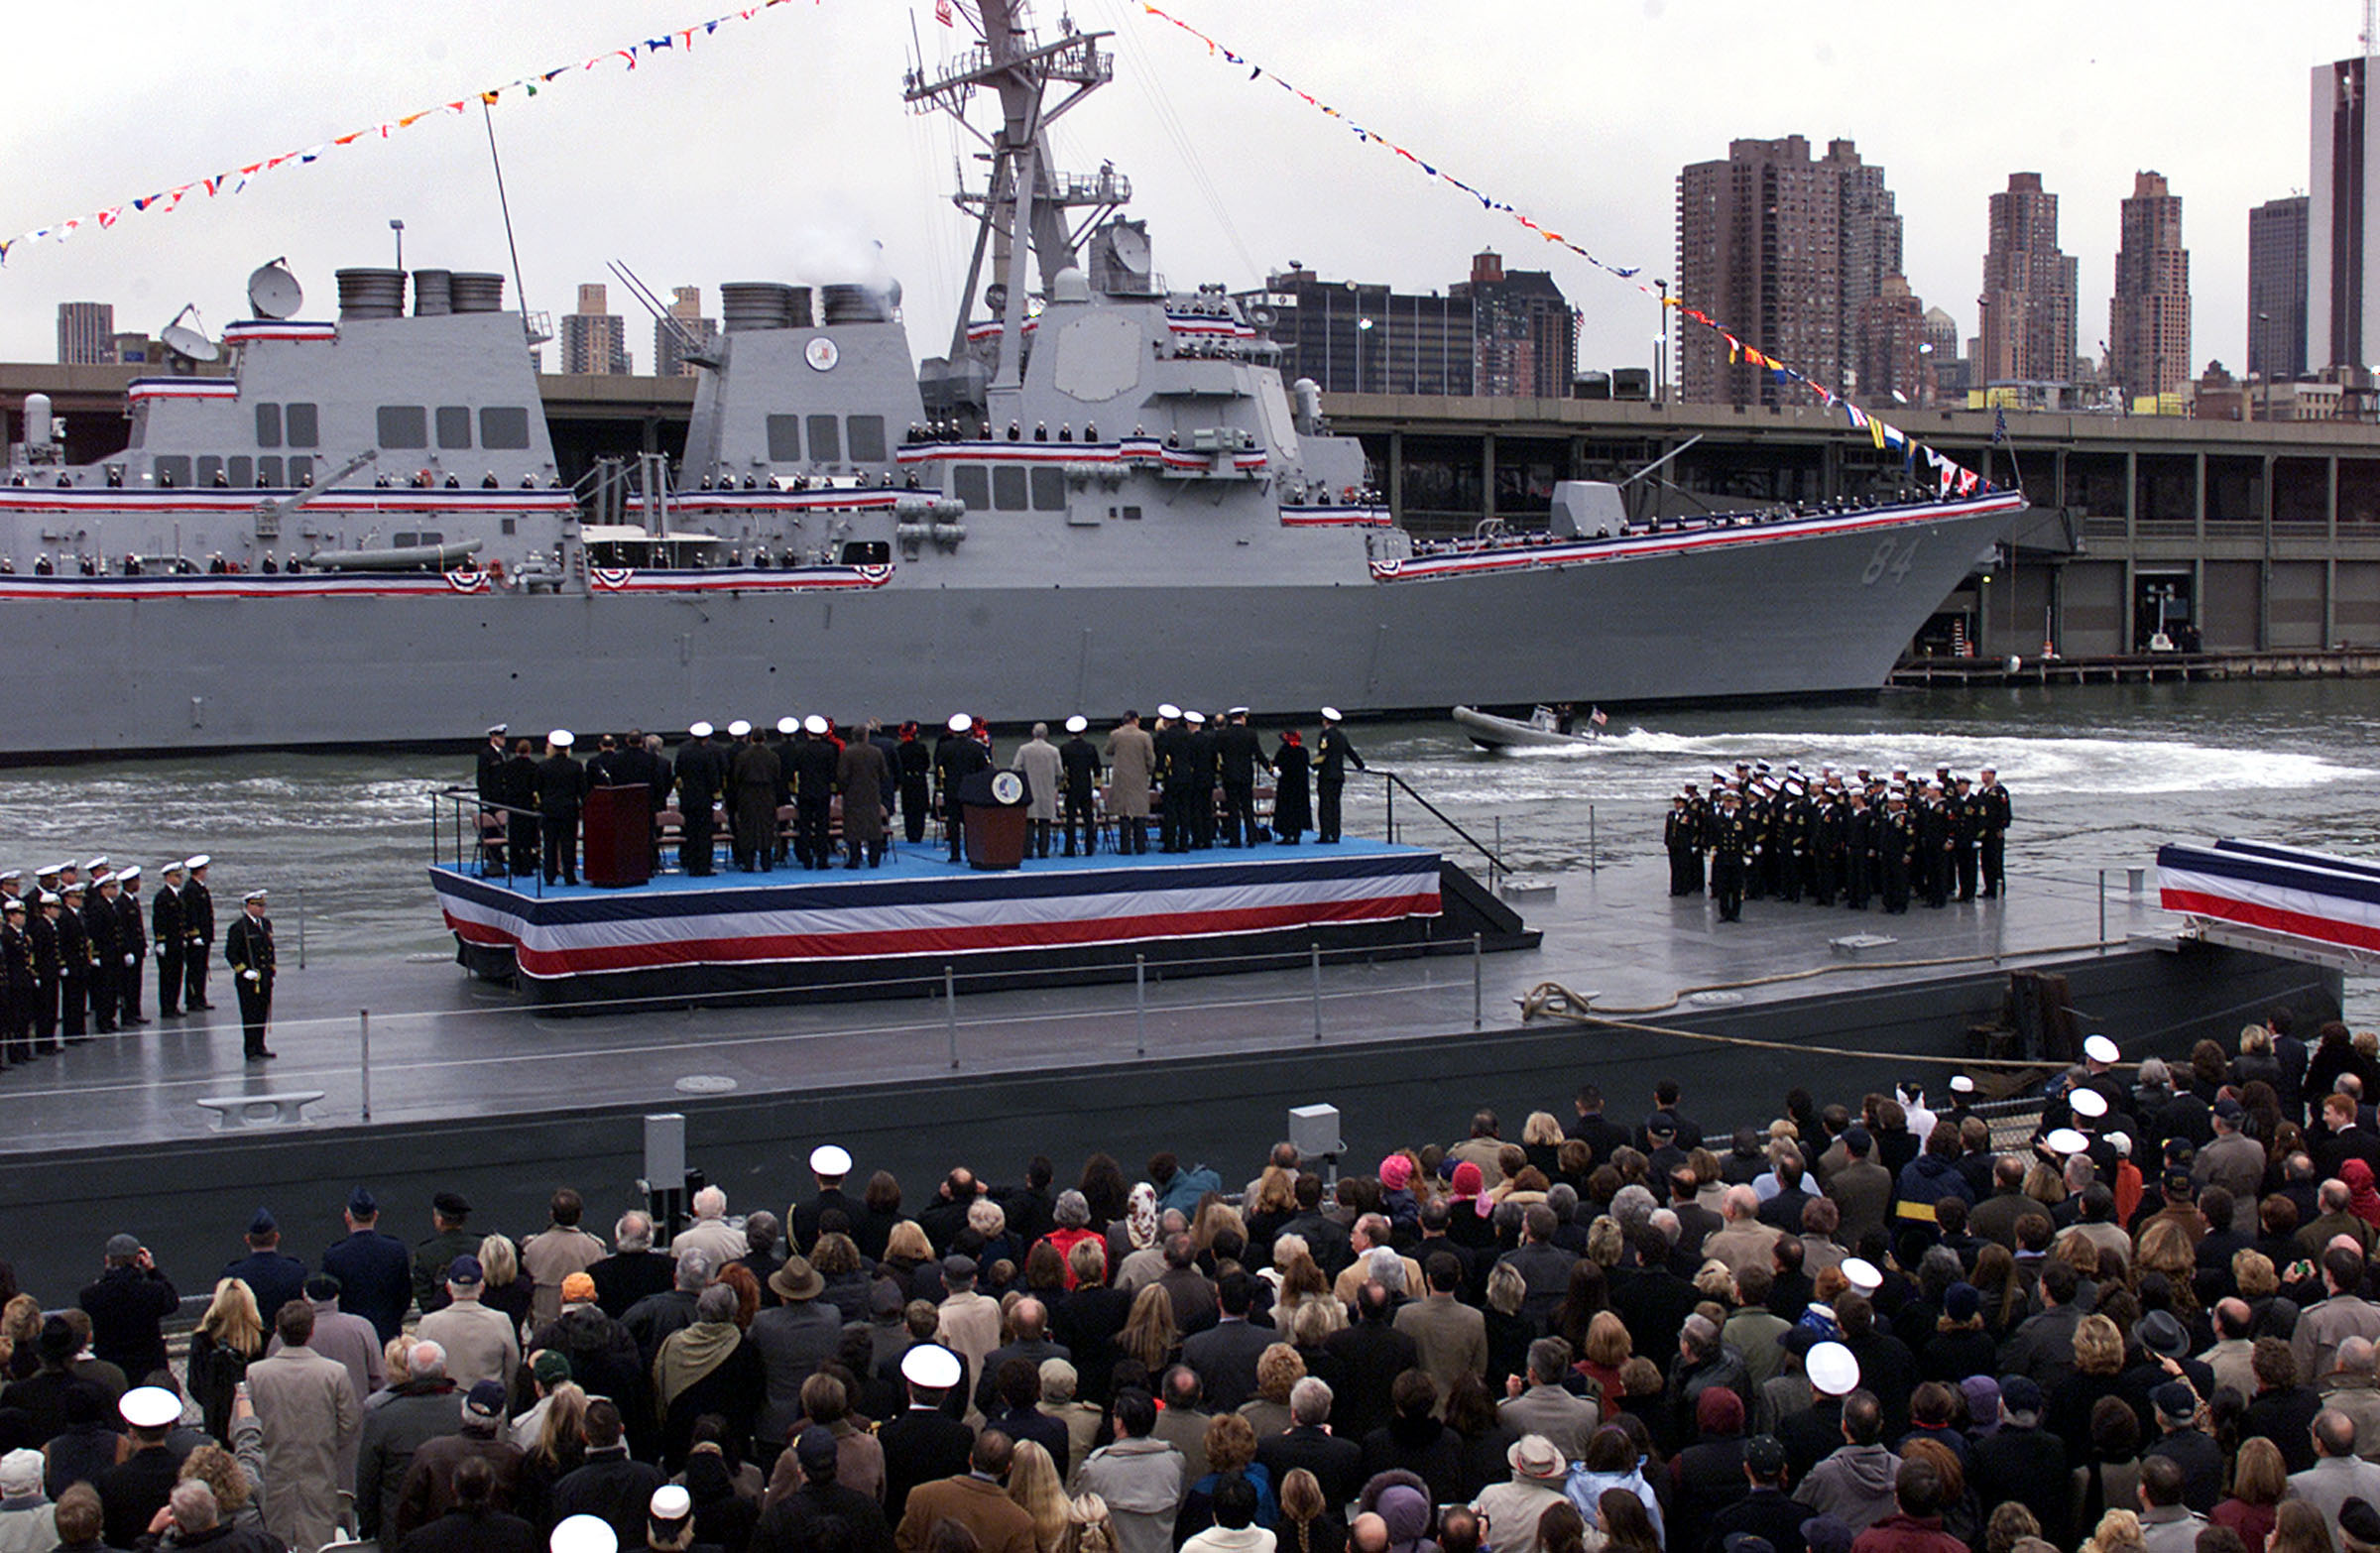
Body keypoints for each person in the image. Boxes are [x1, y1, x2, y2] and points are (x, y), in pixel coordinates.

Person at [245, 1296, 363, 1553]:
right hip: (319, 1468)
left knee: (275, 1542)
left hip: (273, 1470)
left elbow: (245, 1426)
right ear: (311, 1332)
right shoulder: (334, 1373)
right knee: (320, 1542)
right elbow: (349, 1424)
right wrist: (326, 1443)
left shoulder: (256, 1374)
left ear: (278, 1330)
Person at [222, 889, 277, 1061]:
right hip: (248, 979)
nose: (261, 909)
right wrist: (244, 971)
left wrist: (271, 969)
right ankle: (250, 1048)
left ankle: (260, 1045)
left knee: (262, 1011)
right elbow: (231, 953)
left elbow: (269, 949)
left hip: (264, 976)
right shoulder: (239, 928)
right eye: (257, 905)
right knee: (250, 1013)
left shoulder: (266, 924)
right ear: (248, 906)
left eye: (263, 905)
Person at [537, 730, 590, 886]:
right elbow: (583, 790)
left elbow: (538, 788)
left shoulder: (543, 766)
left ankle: (549, 875)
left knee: (550, 843)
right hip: (569, 809)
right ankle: (569, 875)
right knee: (569, 843)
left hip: (549, 810)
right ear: (568, 748)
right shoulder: (576, 766)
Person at [838, 722, 894, 869]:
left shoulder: (847, 753)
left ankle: (854, 859)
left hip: (852, 795)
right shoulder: (877, 752)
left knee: (853, 828)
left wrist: (844, 790)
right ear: (866, 736)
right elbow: (884, 774)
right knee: (873, 827)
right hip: (872, 793)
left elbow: (842, 776)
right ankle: (874, 859)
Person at [939, 715, 993, 863]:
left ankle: (955, 854)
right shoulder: (976, 747)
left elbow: (938, 765)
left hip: (951, 789)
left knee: (953, 823)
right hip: (971, 790)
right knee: (971, 824)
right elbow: (984, 768)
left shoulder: (945, 747)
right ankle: (971, 853)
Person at [1216, 709, 1270, 850]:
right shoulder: (1251, 734)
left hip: (1229, 776)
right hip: (1246, 776)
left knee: (1233, 809)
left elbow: (1216, 755)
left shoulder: (1223, 735)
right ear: (1242, 718)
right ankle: (1251, 838)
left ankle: (1235, 840)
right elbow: (1259, 754)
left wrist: (1218, 771)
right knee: (1248, 808)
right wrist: (1270, 770)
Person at [1105, 712, 1156, 856]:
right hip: (1139, 778)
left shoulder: (1116, 735)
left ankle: (1125, 847)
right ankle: (1140, 846)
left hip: (1121, 778)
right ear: (1135, 720)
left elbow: (1107, 750)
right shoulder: (1144, 736)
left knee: (1124, 813)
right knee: (1139, 812)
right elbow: (1150, 759)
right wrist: (1150, 771)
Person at [675, 723, 723, 877]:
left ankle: (692, 865)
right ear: (707, 737)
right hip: (703, 799)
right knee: (704, 834)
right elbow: (713, 777)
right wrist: (716, 794)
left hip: (688, 798)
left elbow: (678, 772)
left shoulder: (683, 752)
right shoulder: (707, 753)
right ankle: (703, 867)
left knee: (691, 833)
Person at [1312, 709, 1364, 844]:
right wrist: (1361, 766)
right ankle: (1335, 834)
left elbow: (1323, 753)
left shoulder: (1325, 735)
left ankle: (1325, 834)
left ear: (1325, 721)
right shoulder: (1341, 736)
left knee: (1325, 805)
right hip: (1339, 775)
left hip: (1326, 775)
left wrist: (1313, 767)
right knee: (1336, 805)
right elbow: (1350, 752)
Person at [1014, 724, 1064, 861]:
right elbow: (1060, 772)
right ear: (1046, 734)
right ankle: (1043, 851)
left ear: (1032, 733)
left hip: (1028, 790)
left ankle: (1027, 851)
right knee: (1045, 821)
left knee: (1029, 821)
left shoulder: (1024, 749)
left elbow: (1016, 768)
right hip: (1046, 790)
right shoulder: (1053, 751)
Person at [1059, 716, 1102, 857]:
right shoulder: (1090, 748)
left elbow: (1062, 771)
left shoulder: (1065, 749)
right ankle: (1090, 848)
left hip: (1071, 787)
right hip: (1086, 786)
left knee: (1070, 819)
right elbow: (1097, 769)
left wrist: (1061, 789)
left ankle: (1069, 849)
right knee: (1088, 818)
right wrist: (1097, 788)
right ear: (1083, 731)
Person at [152, 860, 186, 1018]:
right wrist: (160, 941)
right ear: (168, 877)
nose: (179, 879)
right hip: (168, 942)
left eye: (180, 875)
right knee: (167, 976)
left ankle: (173, 1005)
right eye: (176, 876)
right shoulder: (162, 897)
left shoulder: (178, 895)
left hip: (177, 941)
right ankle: (166, 1007)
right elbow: (159, 920)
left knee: (177, 975)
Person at [114, 867, 147, 1027]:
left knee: (136, 983)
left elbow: (138, 926)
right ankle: (127, 1015)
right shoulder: (121, 903)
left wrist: (144, 944)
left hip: (137, 949)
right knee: (127, 984)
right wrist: (126, 951)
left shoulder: (133, 901)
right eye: (136, 881)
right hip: (128, 950)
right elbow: (123, 929)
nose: (138, 884)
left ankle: (136, 1011)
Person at [1270, 732, 1311, 846]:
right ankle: (1297, 835)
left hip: (1286, 786)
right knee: (1298, 809)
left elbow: (1277, 764)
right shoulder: (1303, 751)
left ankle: (1287, 835)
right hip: (1300, 787)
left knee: (1286, 810)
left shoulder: (1284, 751)